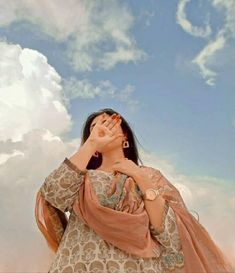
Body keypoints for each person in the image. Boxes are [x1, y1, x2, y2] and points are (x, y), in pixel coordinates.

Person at [35, 108, 233, 273]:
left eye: (108, 122)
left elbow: (170, 236)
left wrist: (139, 177)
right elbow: (53, 193)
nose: (102, 128)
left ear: (125, 134)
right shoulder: (81, 177)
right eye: (94, 127)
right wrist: (92, 143)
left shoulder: (150, 176)